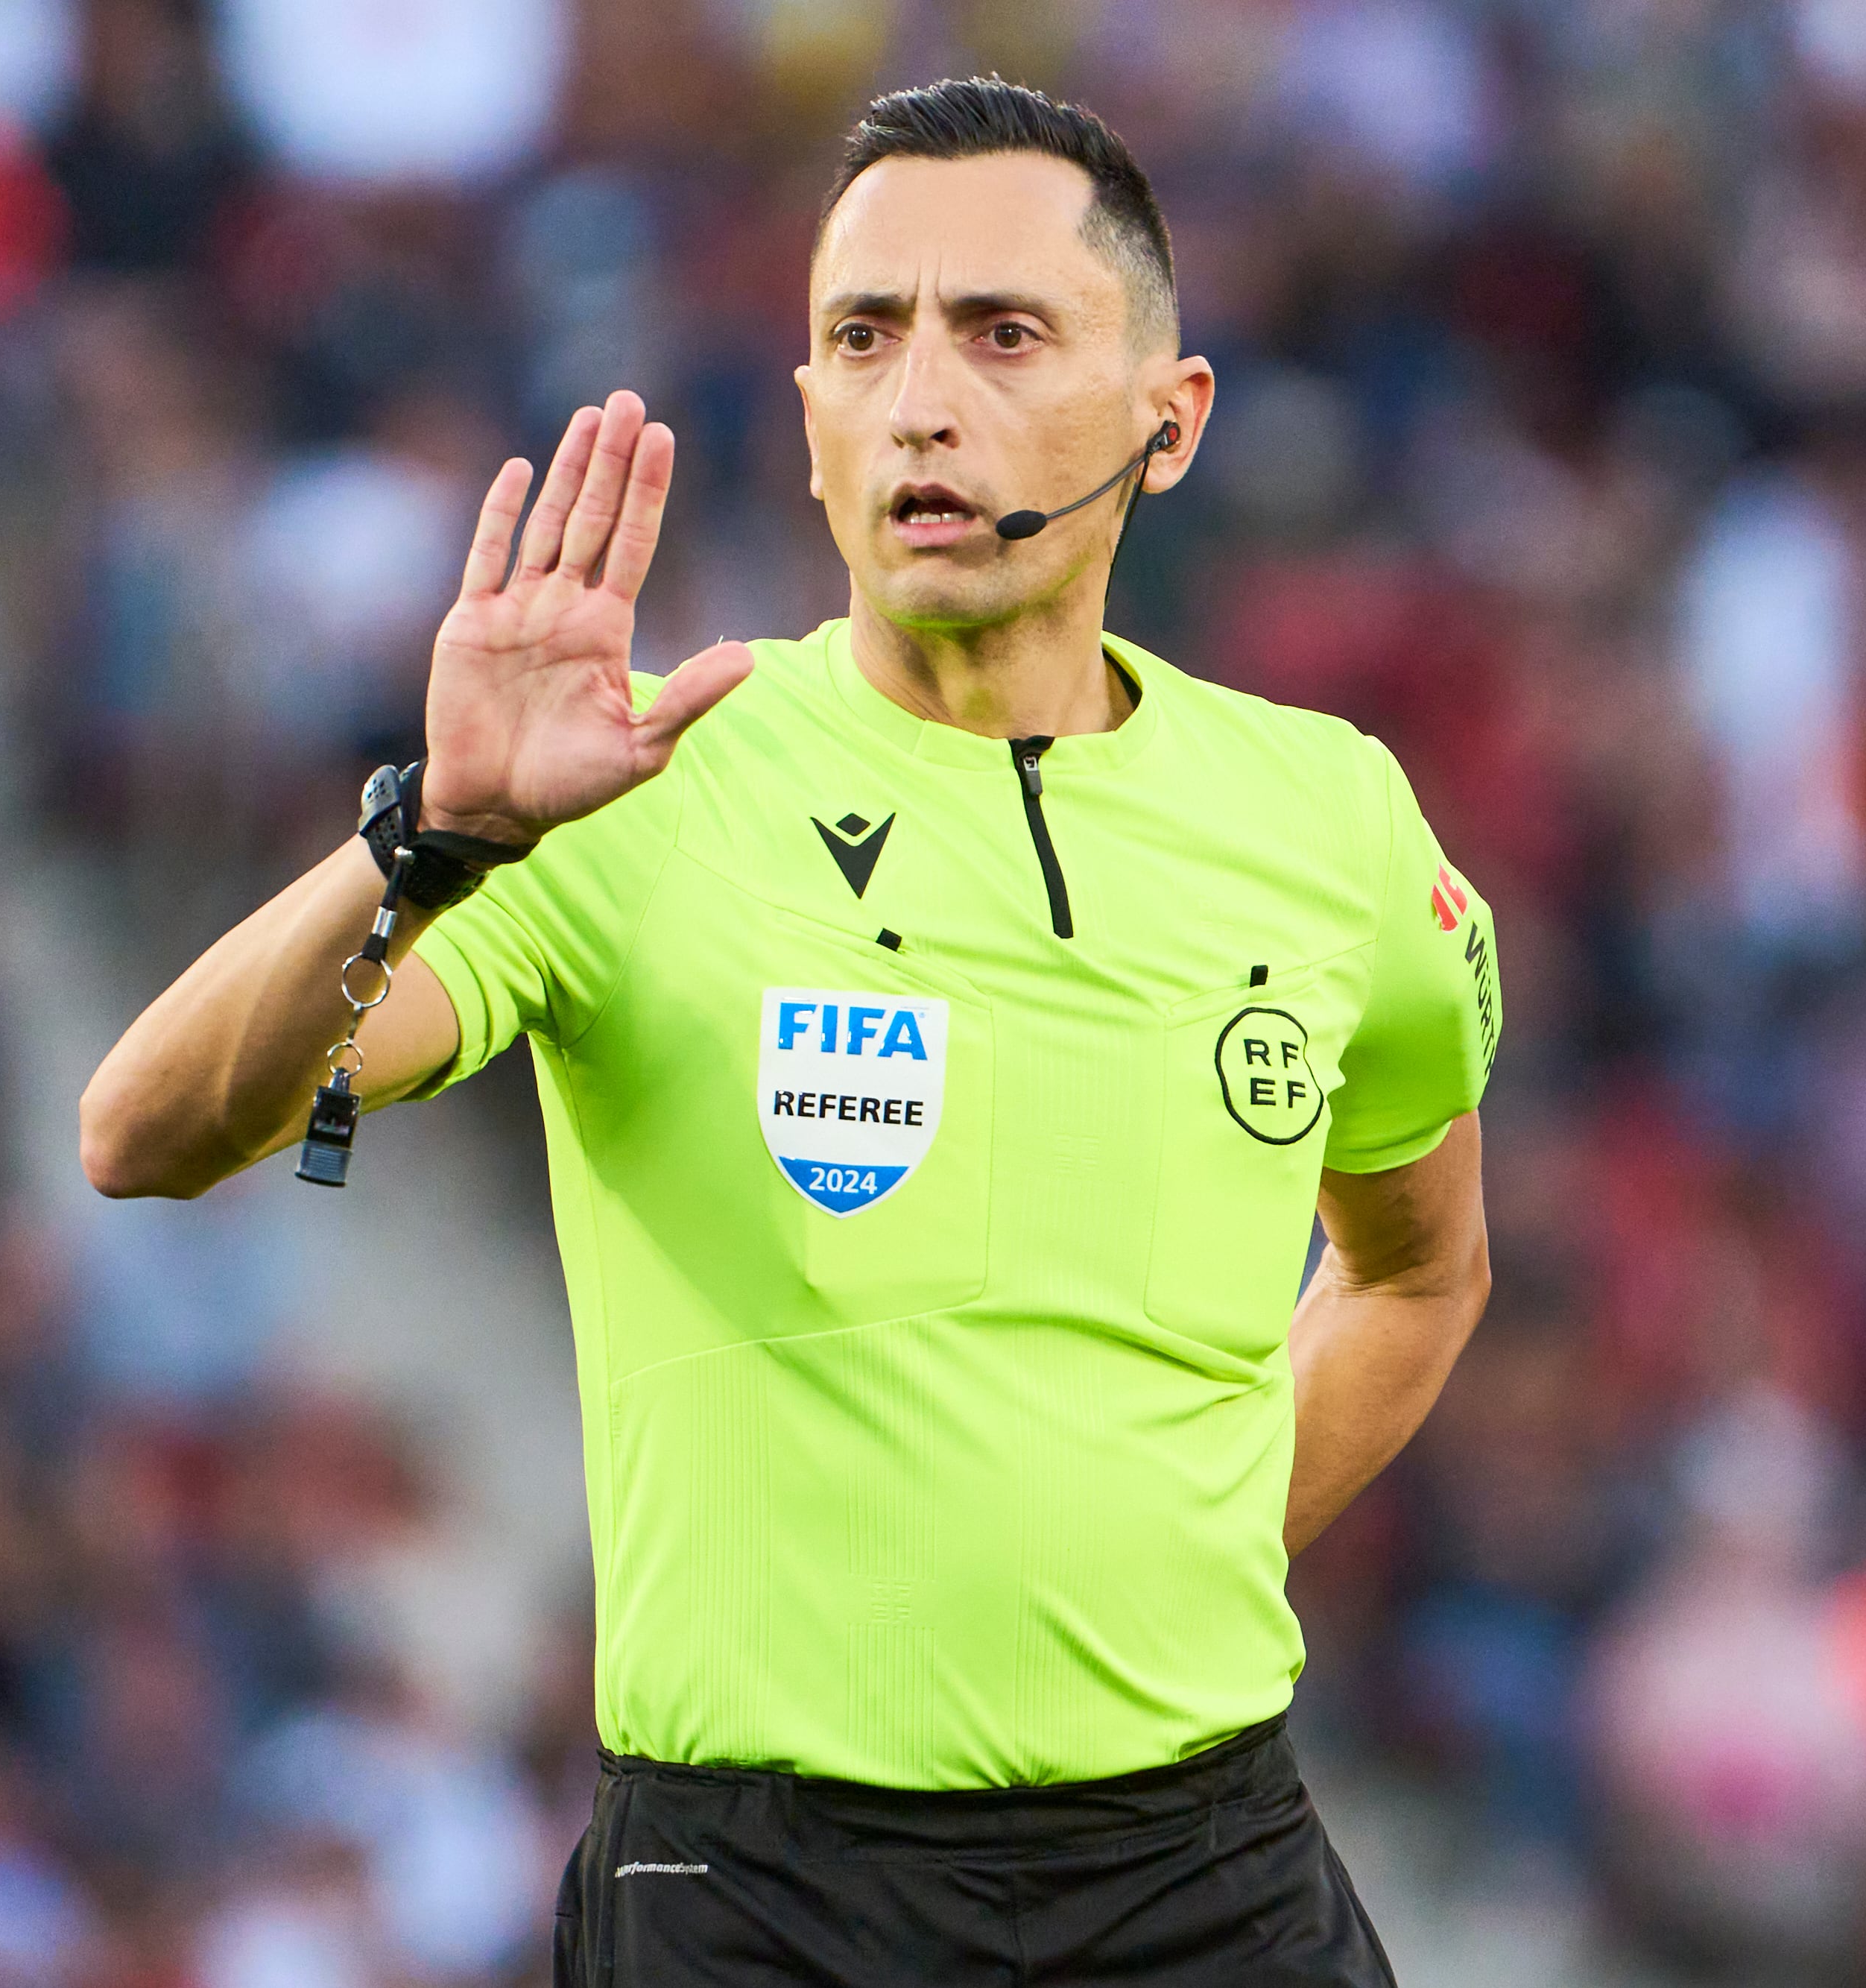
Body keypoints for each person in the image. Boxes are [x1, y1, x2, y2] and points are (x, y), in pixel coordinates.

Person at [80, 76, 1497, 1987]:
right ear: (813, 418)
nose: (922, 395)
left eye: (1002, 333)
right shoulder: (633, 782)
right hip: (759, 1902)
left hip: (1204, 1869)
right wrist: (426, 840)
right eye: (862, 336)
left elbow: (1414, 1275)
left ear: (1169, 427)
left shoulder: (1328, 817)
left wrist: (1177, 1562)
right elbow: (148, 1130)